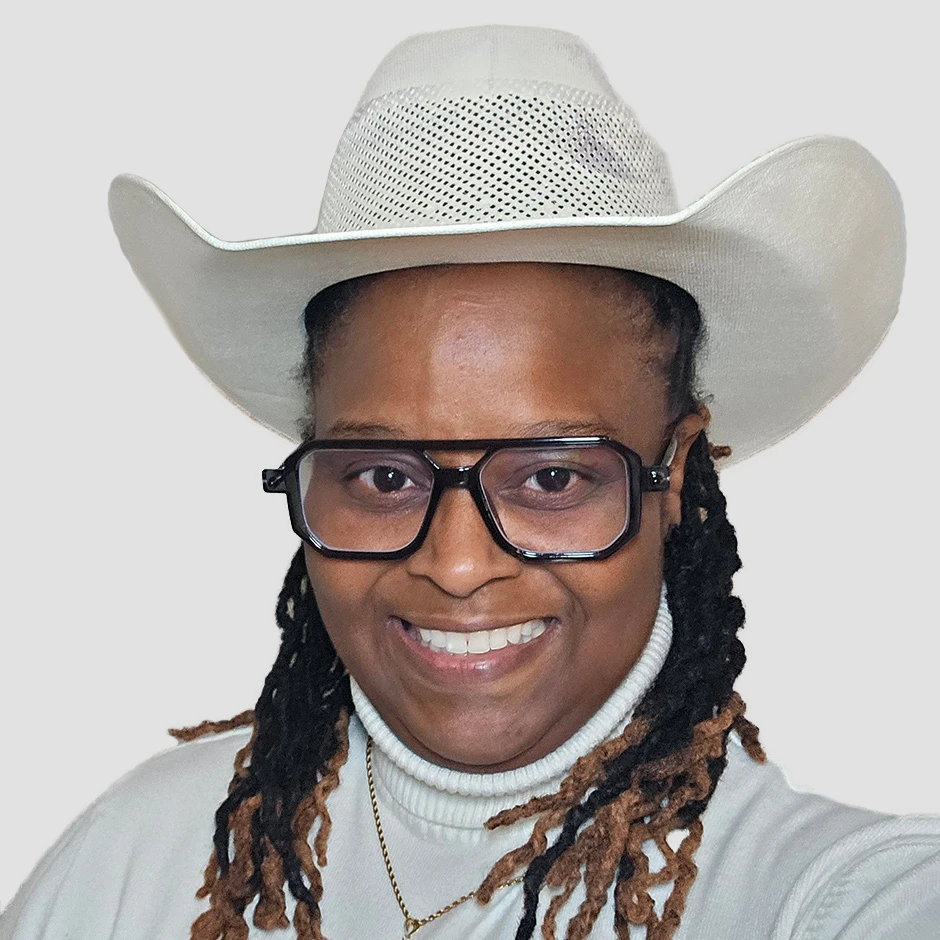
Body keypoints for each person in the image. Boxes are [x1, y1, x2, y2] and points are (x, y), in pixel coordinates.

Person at [2, 23, 938, 940]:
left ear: (675, 481)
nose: (456, 566)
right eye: (383, 476)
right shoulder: (135, 861)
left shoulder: (821, 897)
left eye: (552, 477)